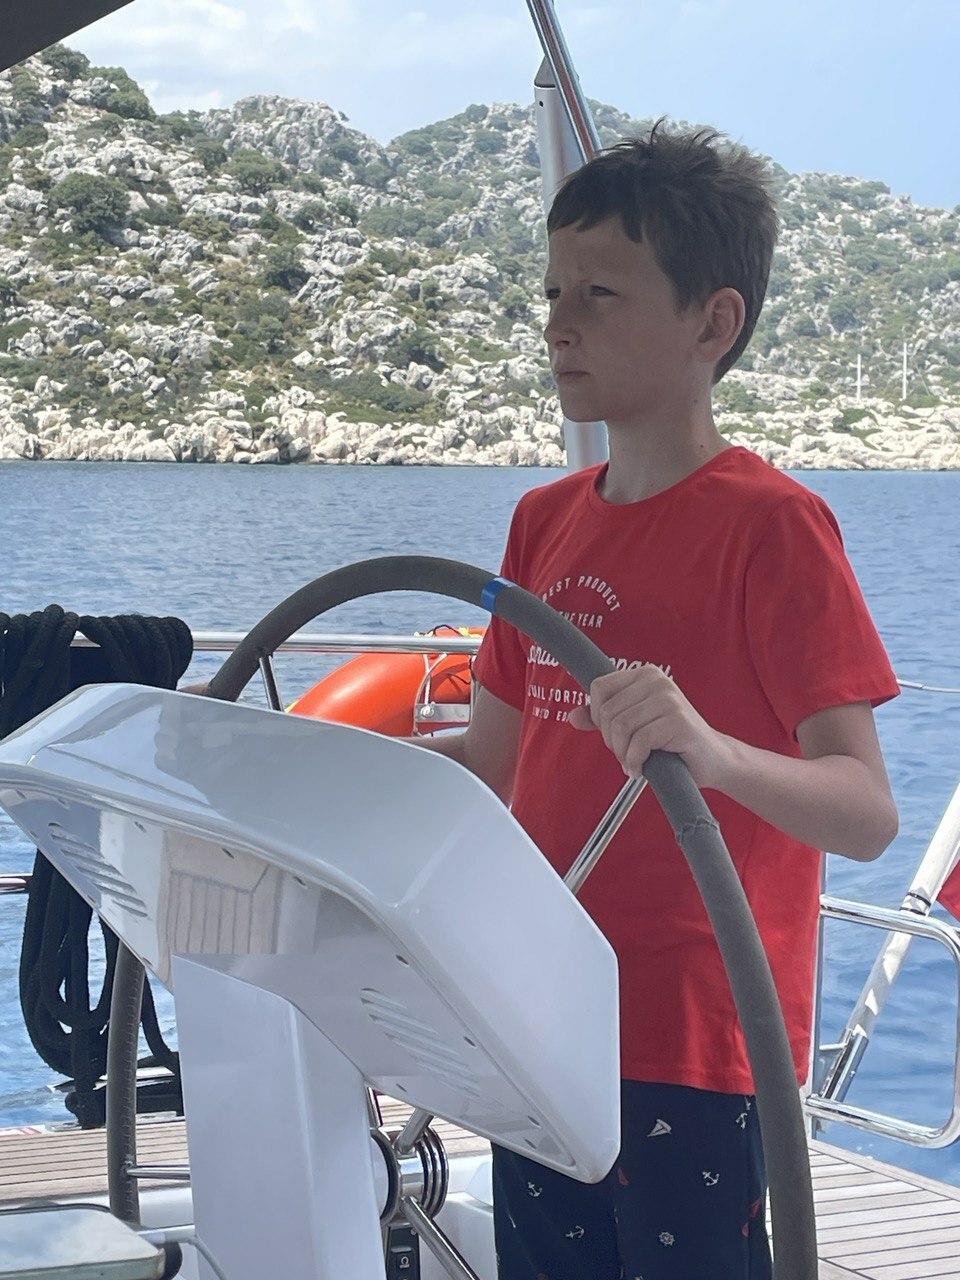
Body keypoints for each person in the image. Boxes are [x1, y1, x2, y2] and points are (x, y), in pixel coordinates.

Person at [419, 120, 900, 1280]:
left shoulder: (774, 528)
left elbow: (866, 811)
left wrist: (711, 751)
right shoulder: (541, 520)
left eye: (599, 292)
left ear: (712, 324)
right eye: (552, 291)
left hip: (697, 1040)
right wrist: (311, 772)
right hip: (541, 1013)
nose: (559, 322)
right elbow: (491, 768)